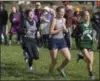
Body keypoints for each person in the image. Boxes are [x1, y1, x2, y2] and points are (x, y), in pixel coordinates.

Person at [49, 6, 71, 78]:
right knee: (54, 61)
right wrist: (60, 29)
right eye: (61, 12)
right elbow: (51, 32)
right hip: (54, 41)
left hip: (62, 40)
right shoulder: (54, 20)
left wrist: (65, 29)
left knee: (68, 58)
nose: (62, 13)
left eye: (63, 12)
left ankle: (61, 68)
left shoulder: (64, 19)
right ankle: (49, 75)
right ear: (57, 12)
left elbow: (65, 30)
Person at [74, 11, 95, 80]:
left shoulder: (91, 24)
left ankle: (81, 57)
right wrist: (80, 35)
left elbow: (93, 32)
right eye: (86, 15)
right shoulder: (80, 25)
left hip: (90, 43)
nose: (88, 17)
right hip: (82, 44)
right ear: (83, 17)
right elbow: (73, 34)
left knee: (90, 62)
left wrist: (95, 38)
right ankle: (92, 74)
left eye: (88, 15)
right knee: (89, 60)